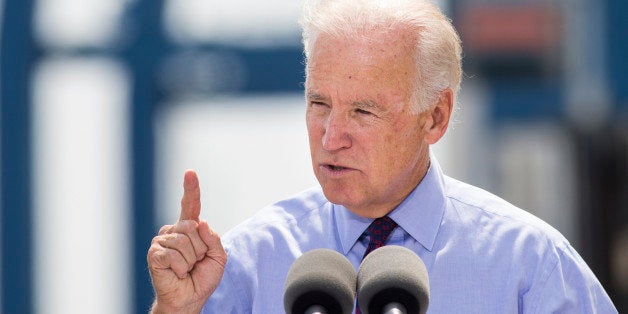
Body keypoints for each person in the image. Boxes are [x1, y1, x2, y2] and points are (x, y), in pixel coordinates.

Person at [147, 0, 618, 313]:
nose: (331, 137)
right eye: (318, 104)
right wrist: (175, 310)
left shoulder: (528, 264)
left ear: (434, 117)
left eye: (362, 111)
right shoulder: (249, 261)